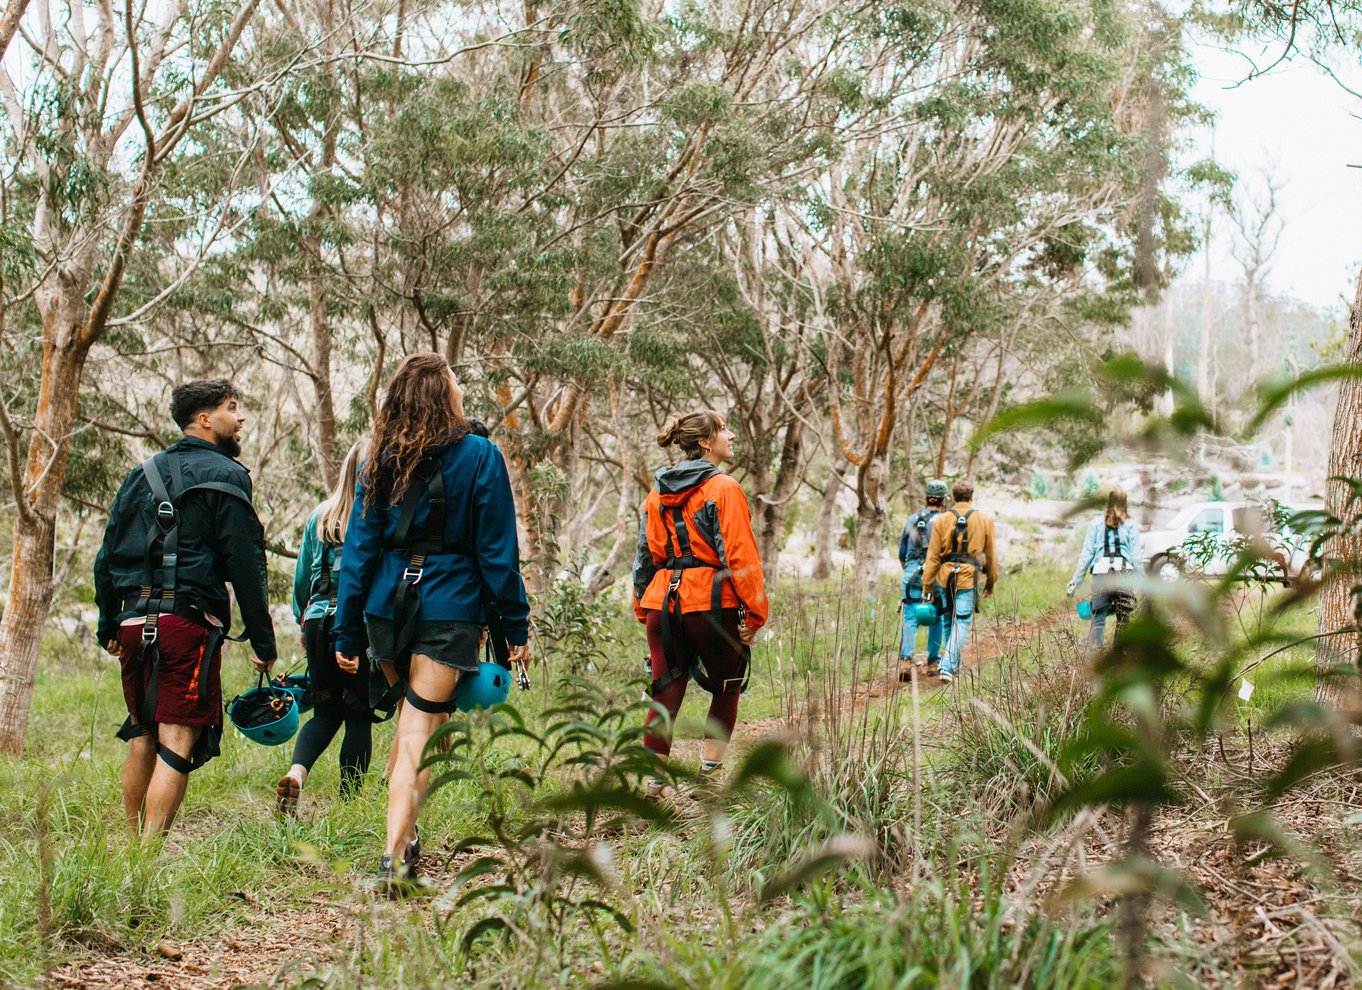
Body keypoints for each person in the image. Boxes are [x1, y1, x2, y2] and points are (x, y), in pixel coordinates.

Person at [333, 354, 530, 892]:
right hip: (449, 607)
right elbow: (497, 554)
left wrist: (346, 629)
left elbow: (359, 550)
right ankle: (393, 859)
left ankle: (408, 839)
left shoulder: (380, 460)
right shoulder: (481, 456)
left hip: (385, 611)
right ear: (446, 397)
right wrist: (515, 629)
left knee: (411, 719)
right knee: (420, 728)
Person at [94, 379, 276, 838]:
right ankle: (146, 860)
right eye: (232, 408)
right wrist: (263, 639)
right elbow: (245, 563)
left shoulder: (142, 473)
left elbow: (107, 553)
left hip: (134, 622)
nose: (240, 418)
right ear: (203, 419)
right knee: (176, 739)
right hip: (186, 627)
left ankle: (133, 852)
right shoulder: (229, 475)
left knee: (141, 733)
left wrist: (109, 623)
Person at [632, 411, 768, 799]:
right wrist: (755, 612)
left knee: (665, 692)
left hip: (662, 601)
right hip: (711, 602)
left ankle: (652, 789)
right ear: (706, 442)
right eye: (725, 429)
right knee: (727, 686)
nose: (733, 434)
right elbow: (739, 556)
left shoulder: (656, 492)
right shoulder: (724, 488)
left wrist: (644, 608)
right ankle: (707, 782)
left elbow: (644, 557)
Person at [276, 441, 372, 814]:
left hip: (317, 619)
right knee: (359, 714)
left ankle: (297, 773)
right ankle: (349, 805)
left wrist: (304, 619)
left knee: (326, 712)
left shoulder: (322, 515)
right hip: (356, 624)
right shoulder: (376, 515)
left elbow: (303, 578)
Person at [921, 480, 998, 684]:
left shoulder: (942, 520)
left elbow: (933, 556)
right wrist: (991, 581)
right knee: (962, 620)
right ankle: (947, 666)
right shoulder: (984, 520)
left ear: (953, 498)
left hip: (944, 577)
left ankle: (953, 667)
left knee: (949, 620)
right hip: (967, 577)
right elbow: (991, 556)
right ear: (971, 497)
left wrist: (927, 584)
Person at [1066, 487, 1143, 645]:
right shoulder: (1131, 525)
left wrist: (1075, 582)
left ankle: (1096, 650)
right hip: (1123, 573)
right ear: (1125, 503)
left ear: (1108, 502)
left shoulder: (1095, 524)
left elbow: (1087, 554)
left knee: (1099, 615)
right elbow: (1136, 557)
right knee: (1123, 616)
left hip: (1101, 574)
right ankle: (1119, 653)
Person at [897, 479, 950, 679]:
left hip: (911, 574)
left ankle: (905, 661)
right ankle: (933, 662)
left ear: (927, 498)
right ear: (943, 501)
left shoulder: (912, 520)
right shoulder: (945, 521)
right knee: (936, 618)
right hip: (936, 575)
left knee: (910, 618)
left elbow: (902, 554)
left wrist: (912, 569)